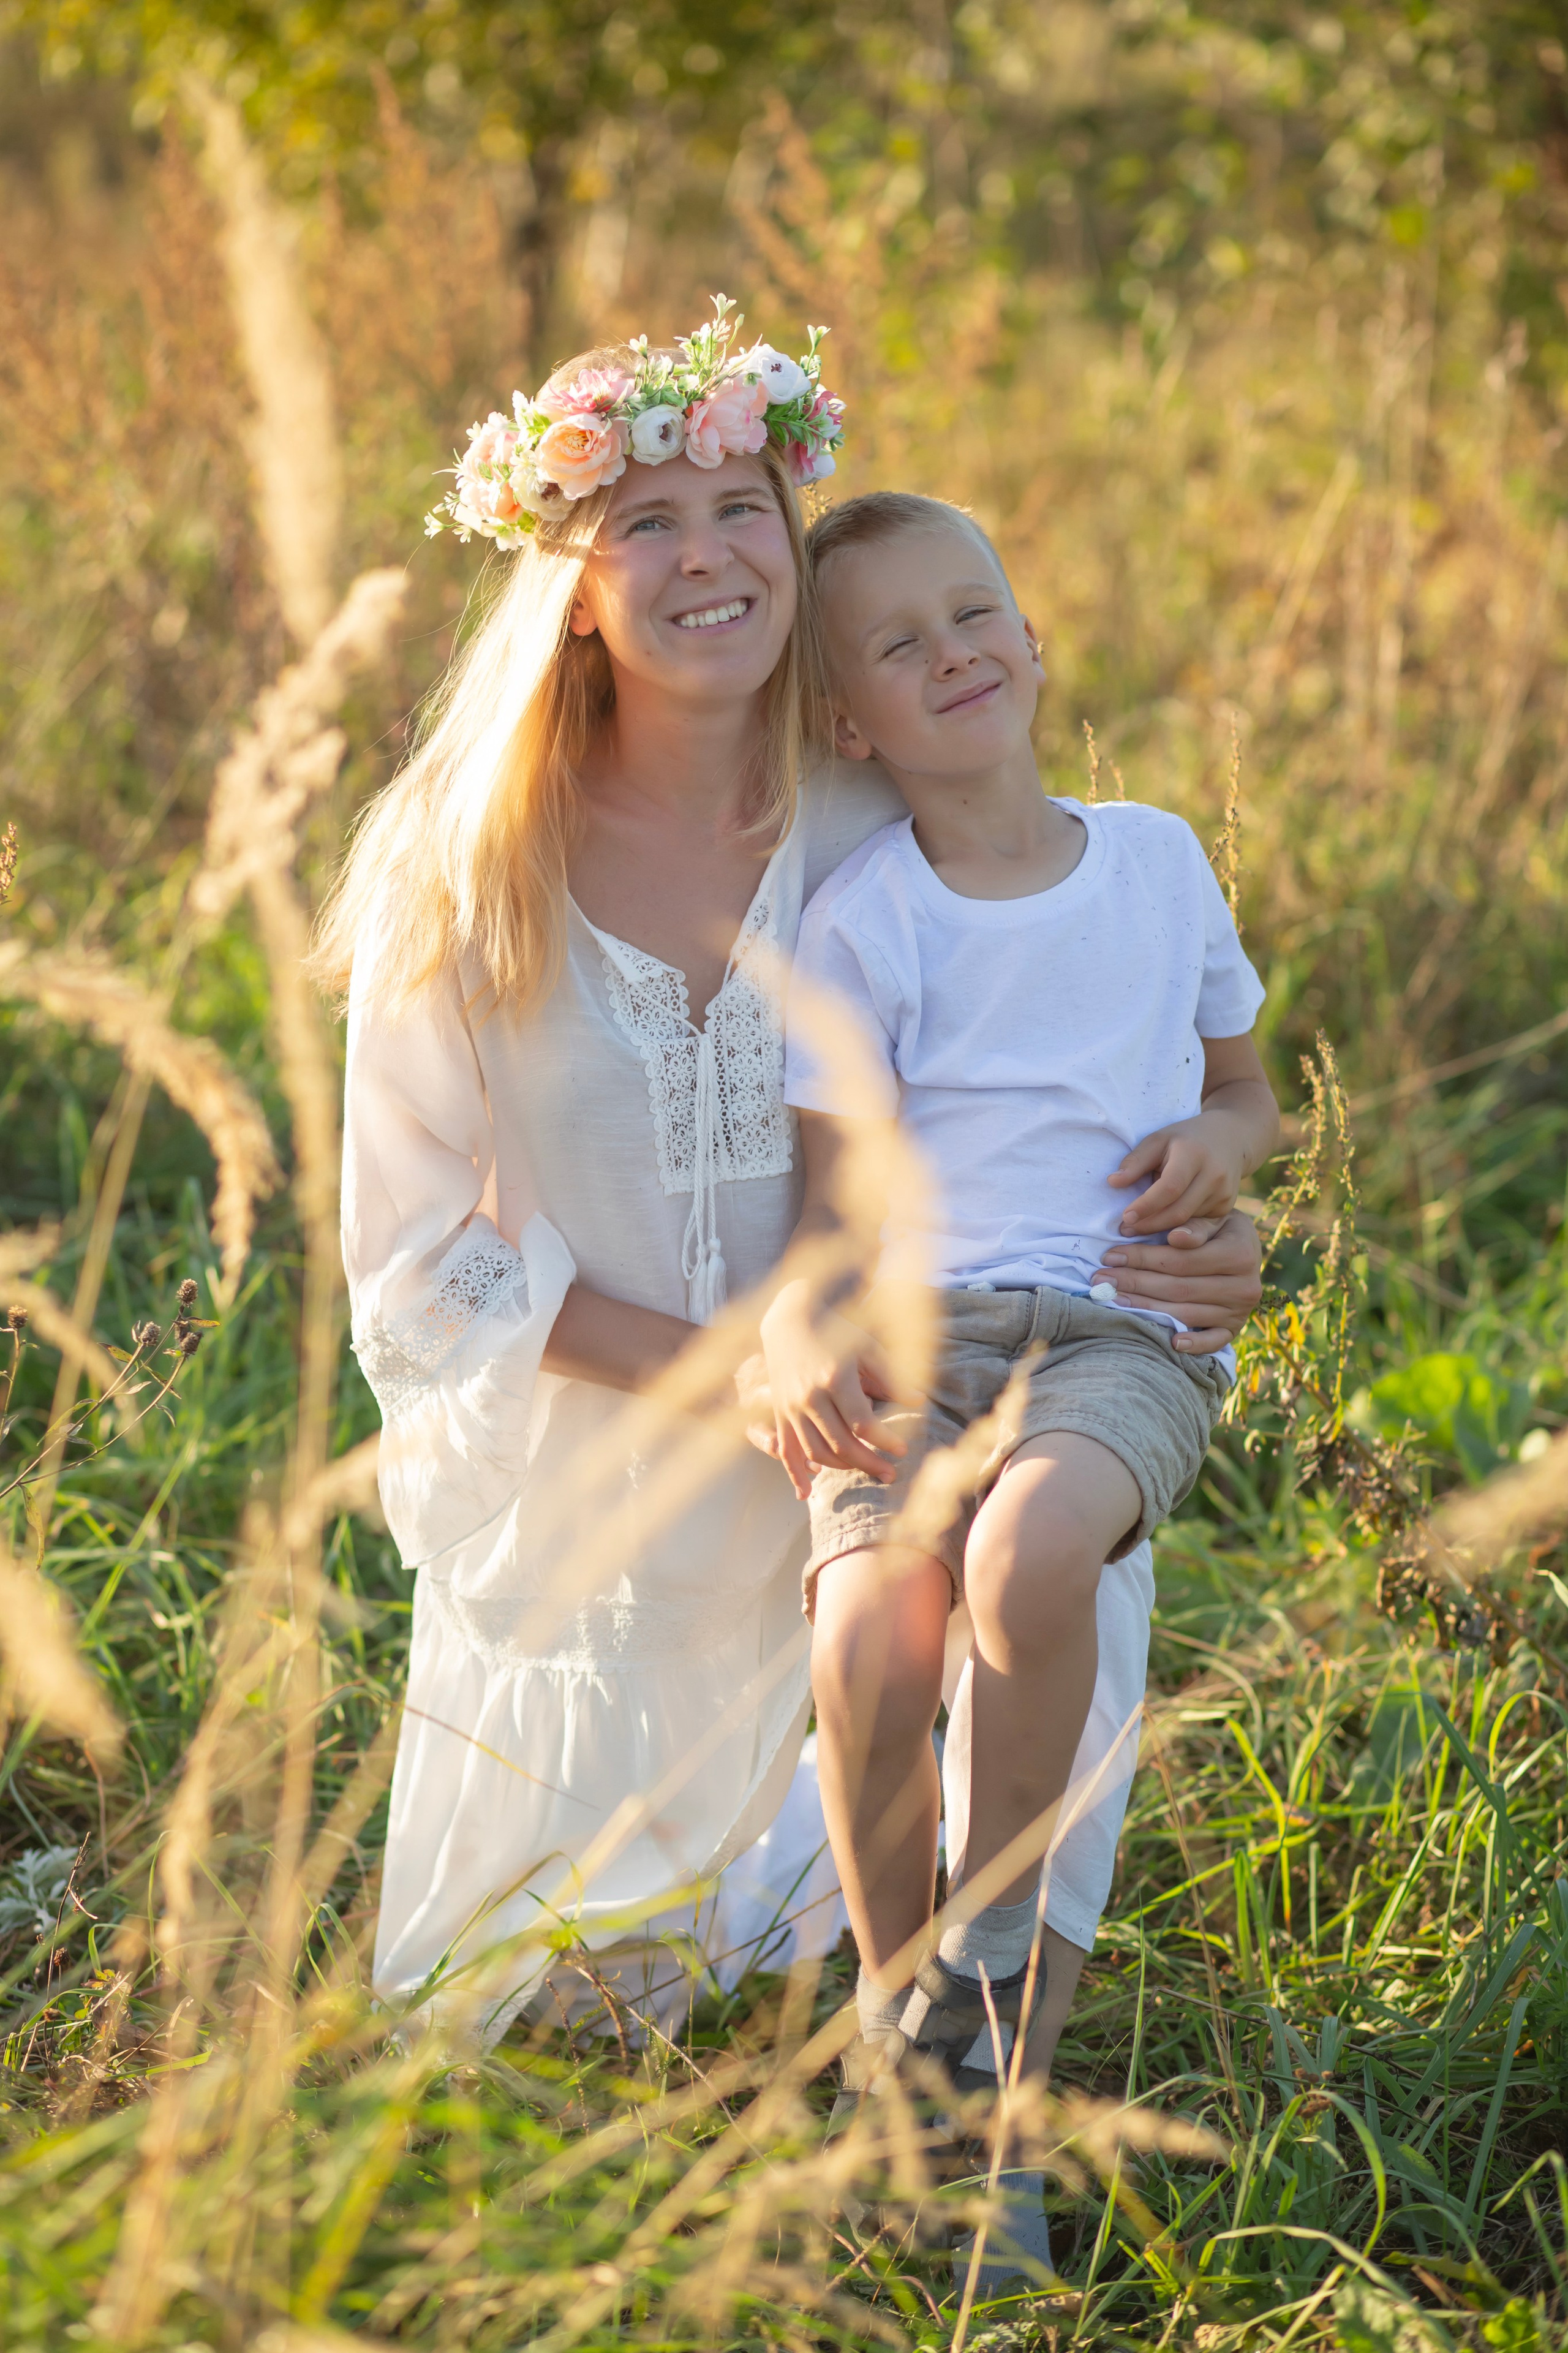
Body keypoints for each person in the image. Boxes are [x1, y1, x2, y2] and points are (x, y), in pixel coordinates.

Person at [311, 304, 1265, 2058]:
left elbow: (1099, 1054)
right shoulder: (463, 863)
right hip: (626, 1483)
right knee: (558, 2029)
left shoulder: (877, 813)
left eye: (742, 505)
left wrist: (1218, 1227)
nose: (706, 555)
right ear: (572, 584)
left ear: (797, 540)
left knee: (1022, 1537)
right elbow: (418, 1258)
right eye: (647, 522)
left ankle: (971, 2063)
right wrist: (727, 1370)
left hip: (906, 1408)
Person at [760, 489, 1279, 2268]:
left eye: (974, 613)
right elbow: (838, 1203)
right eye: (898, 646)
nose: (953, 653)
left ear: (1034, 639)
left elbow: (1247, 1089)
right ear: (850, 725)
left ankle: (976, 1978)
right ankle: (907, 2027)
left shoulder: (1156, 857)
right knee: (863, 1639)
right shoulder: (867, 917)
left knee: (1025, 1562)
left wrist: (1220, 1150)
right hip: (922, 1333)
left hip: (1123, 1327)